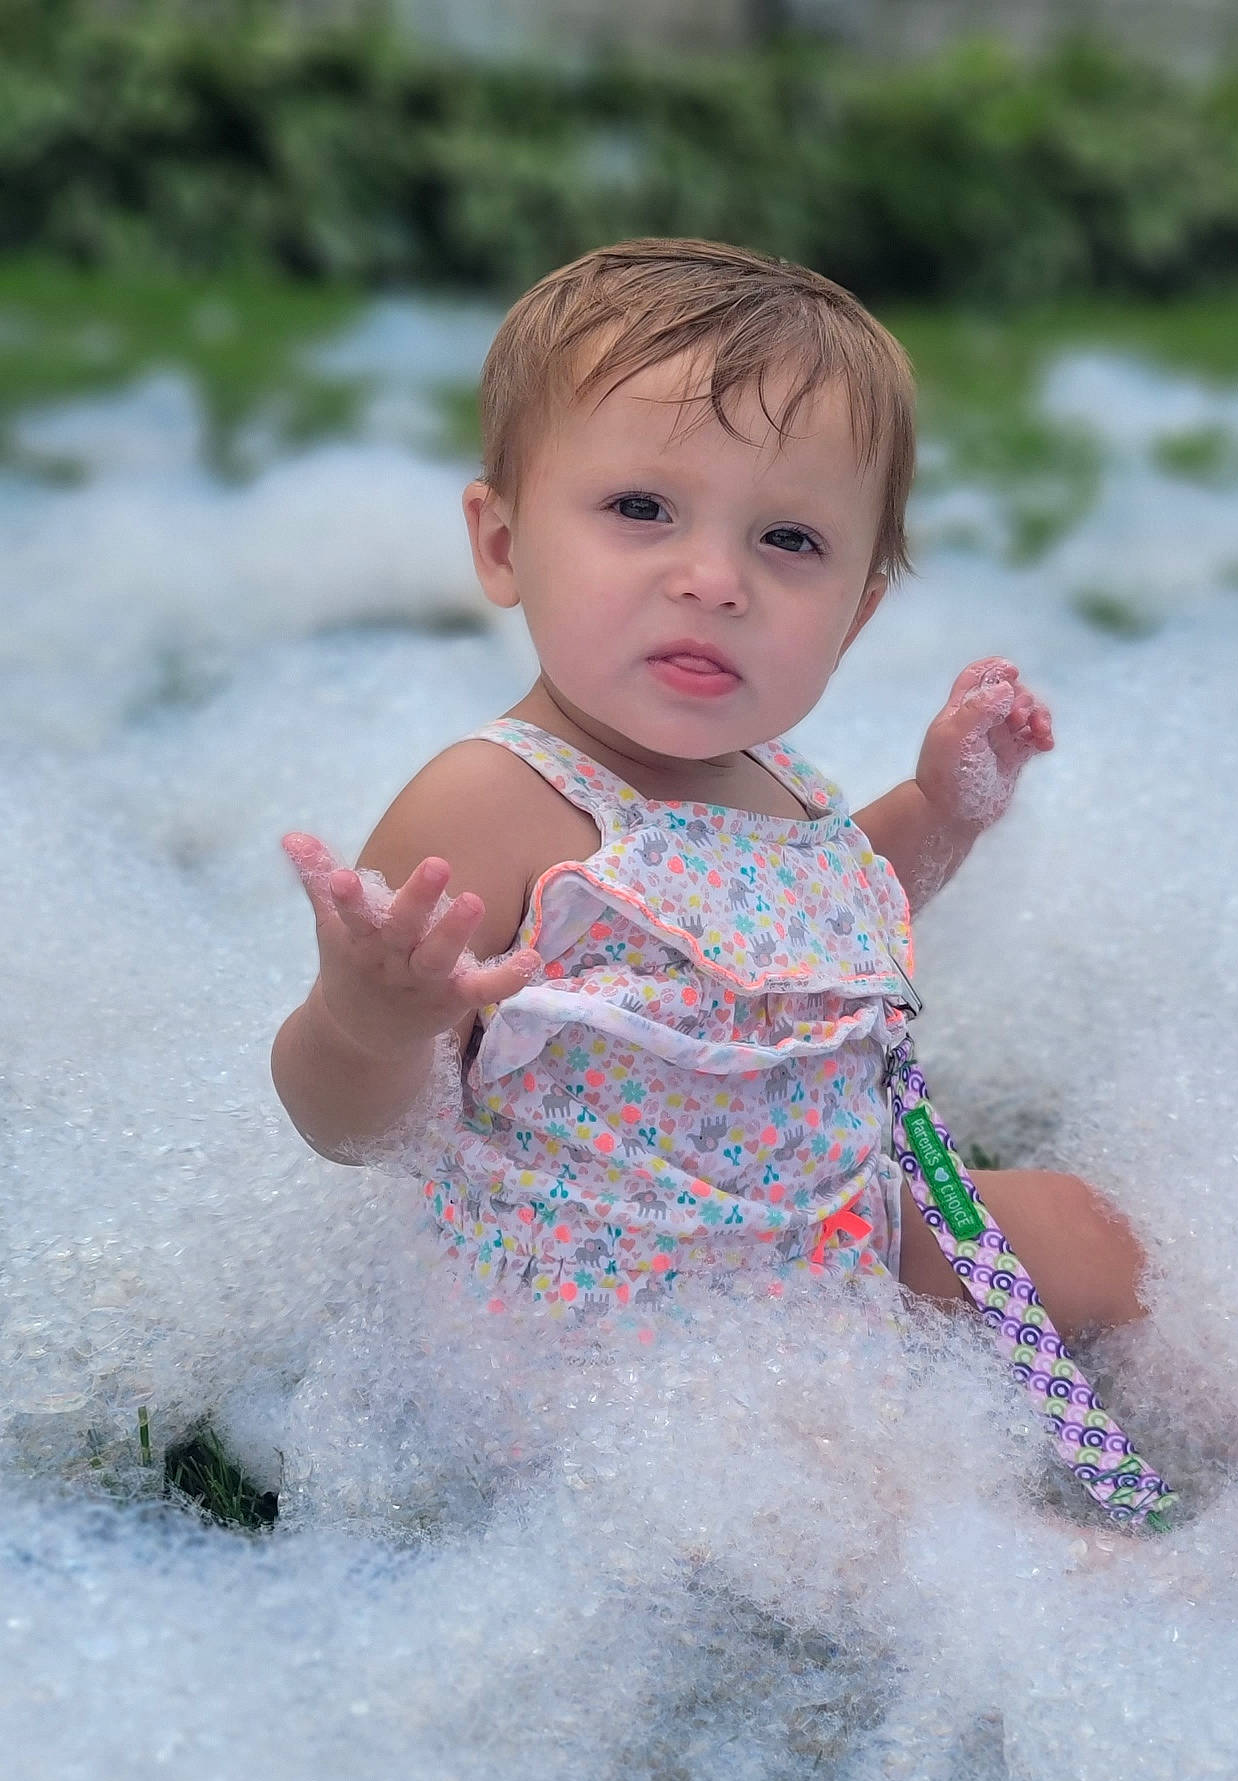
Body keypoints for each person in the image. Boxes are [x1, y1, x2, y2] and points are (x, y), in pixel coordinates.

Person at [271, 237, 1144, 1340]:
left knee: (1091, 1231)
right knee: (841, 1476)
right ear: (502, 544)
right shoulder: (488, 801)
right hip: (599, 1321)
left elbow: (834, 906)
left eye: (788, 538)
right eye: (642, 508)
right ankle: (1041, 1520)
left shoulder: (779, 782)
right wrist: (368, 1024)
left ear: (855, 616)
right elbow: (353, 1133)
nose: (715, 580)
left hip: (822, 1237)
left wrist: (941, 809)